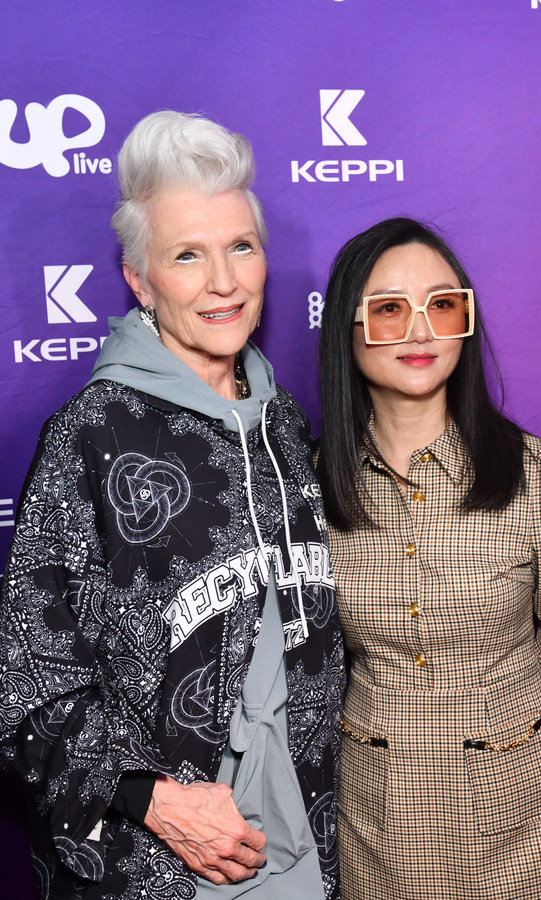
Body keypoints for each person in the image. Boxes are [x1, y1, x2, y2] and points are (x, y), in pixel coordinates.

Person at [0, 110, 345, 900]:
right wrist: (152, 800)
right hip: (160, 861)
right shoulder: (90, 434)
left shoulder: (286, 422)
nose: (224, 282)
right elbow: (25, 674)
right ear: (140, 279)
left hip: (303, 845)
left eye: (241, 248)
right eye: (187, 256)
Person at [316, 217, 541, 900]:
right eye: (388, 309)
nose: (421, 331)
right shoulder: (308, 484)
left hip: (522, 808)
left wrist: (502, 708)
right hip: (377, 813)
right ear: (345, 332)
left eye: (442, 305)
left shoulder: (537, 472)